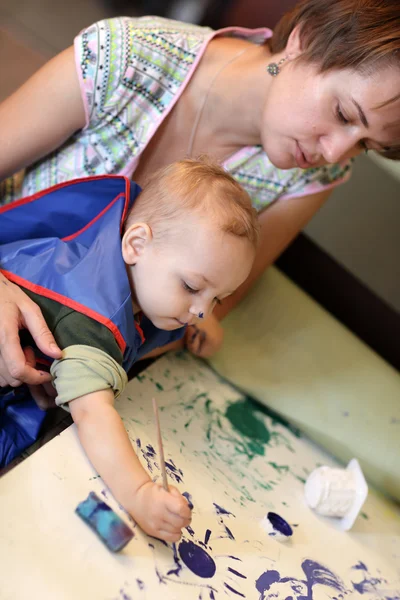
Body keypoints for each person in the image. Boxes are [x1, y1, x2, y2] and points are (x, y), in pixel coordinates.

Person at [0, 0, 399, 389]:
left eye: (365, 146)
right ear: (304, 40)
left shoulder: (319, 172)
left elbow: (211, 308)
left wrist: (90, 356)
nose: (334, 153)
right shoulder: (126, 57)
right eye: (344, 114)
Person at [0, 158, 259, 540]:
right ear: (136, 244)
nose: (203, 310)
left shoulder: (118, 254)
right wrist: (140, 495)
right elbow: (92, 414)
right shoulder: (90, 320)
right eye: (191, 287)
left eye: (218, 297)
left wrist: (195, 321)